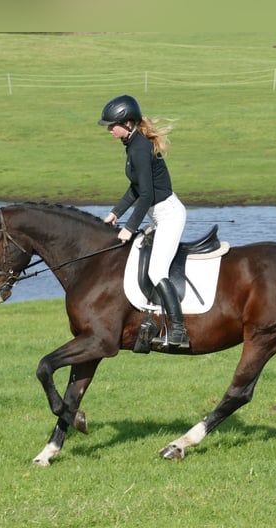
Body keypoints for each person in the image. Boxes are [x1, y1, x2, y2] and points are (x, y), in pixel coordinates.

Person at [98, 94, 189, 348]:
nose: (109, 129)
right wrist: (116, 212)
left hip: (169, 215)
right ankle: (149, 319)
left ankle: (179, 331)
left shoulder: (138, 147)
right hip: (157, 213)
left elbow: (147, 194)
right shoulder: (133, 143)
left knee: (156, 270)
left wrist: (129, 227)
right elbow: (136, 188)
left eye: (111, 124)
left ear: (127, 123)